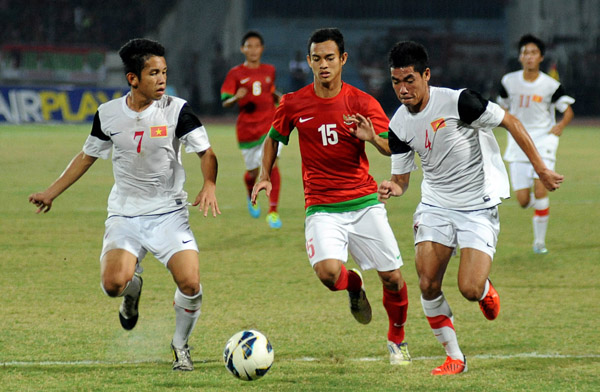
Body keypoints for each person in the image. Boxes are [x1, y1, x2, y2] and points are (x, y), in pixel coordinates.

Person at [28, 38, 220, 372]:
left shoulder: (177, 110)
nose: (161, 79)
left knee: (190, 283)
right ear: (133, 78)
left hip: (169, 214)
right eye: (153, 73)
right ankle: (133, 293)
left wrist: (209, 183)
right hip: (125, 215)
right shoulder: (108, 115)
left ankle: (180, 346)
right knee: (113, 285)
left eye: (163, 72)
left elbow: (207, 153)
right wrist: (51, 192)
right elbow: (87, 156)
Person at [378, 41, 564, 375]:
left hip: (477, 206)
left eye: (409, 80)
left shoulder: (459, 101)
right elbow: (402, 179)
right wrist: (395, 186)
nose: (402, 89)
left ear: (426, 75)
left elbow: (511, 122)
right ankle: (455, 357)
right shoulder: (398, 126)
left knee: (470, 289)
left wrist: (541, 170)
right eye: (396, 82)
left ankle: (484, 290)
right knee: (427, 284)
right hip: (435, 205)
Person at [252, 28, 412, 366]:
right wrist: (264, 174)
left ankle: (397, 339)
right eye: (316, 58)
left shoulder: (362, 102)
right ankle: (354, 285)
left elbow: (390, 146)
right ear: (309, 61)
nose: (323, 65)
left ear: (343, 59)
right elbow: (273, 137)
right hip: (322, 206)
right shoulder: (294, 102)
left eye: (329, 58)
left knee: (394, 279)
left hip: (364, 203)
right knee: (328, 274)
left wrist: (371, 137)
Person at [497, 34, 575, 254]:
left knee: (540, 189)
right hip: (518, 140)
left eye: (533, 53)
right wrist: (505, 120)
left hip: (543, 140)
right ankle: (541, 208)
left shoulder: (551, 85)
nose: (528, 57)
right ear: (520, 57)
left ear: (541, 57)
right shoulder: (508, 81)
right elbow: (500, 106)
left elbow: (567, 110)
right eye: (524, 53)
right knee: (522, 200)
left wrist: (560, 126)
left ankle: (539, 243)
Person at [221, 30, 283, 229]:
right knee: (253, 172)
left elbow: (270, 92)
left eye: (257, 46)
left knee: (272, 165)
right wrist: (235, 98)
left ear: (262, 49)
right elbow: (225, 102)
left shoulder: (270, 70)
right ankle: (250, 193)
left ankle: (273, 211)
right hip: (248, 130)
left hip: (270, 126)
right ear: (242, 49)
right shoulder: (235, 73)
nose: (253, 49)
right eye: (249, 46)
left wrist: (280, 99)